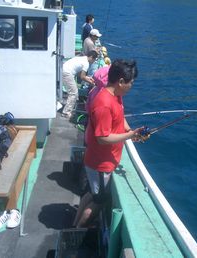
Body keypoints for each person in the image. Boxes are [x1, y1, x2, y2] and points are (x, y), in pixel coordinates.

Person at [73, 59, 143, 227]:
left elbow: (120, 118)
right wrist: (129, 136)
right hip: (100, 164)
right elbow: (102, 138)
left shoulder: (116, 95)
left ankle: (74, 223)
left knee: (92, 194)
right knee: (98, 202)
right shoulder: (104, 104)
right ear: (120, 82)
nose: (131, 86)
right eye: (130, 83)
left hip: (104, 161)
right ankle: (77, 230)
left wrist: (131, 133)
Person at [61, 50, 98, 118]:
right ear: (92, 57)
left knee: (72, 92)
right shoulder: (86, 63)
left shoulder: (82, 58)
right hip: (67, 73)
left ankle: (67, 110)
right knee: (74, 93)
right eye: (94, 60)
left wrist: (88, 78)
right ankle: (66, 112)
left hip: (65, 70)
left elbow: (80, 74)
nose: (93, 62)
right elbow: (82, 77)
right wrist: (91, 83)